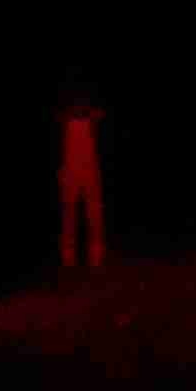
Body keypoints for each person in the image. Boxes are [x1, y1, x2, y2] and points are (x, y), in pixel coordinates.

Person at [53, 89, 107, 270]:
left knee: (94, 213)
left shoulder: (93, 117)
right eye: (76, 102)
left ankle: (96, 255)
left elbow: (99, 114)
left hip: (90, 170)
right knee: (69, 214)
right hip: (70, 170)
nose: (79, 106)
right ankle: (68, 257)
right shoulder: (64, 119)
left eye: (82, 102)